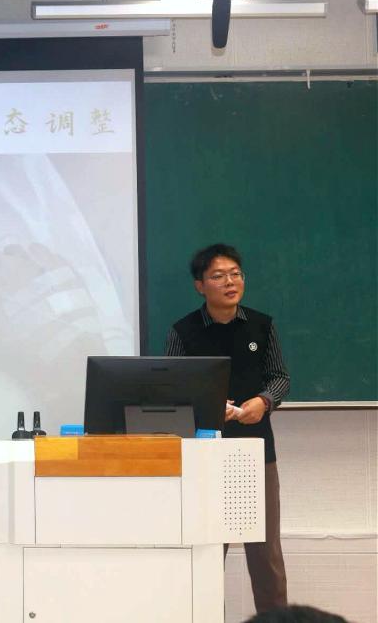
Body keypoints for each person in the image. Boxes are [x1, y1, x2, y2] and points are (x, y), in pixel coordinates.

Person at [165, 243, 289, 613]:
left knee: (265, 552)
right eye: (218, 276)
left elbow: (280, 377)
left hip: (256, 450)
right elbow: (169, 386)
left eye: (235, 274)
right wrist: (204, 406)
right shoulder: (183, 331)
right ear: (200, 286)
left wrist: (264, 401)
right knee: (205, 548)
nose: (230, 282)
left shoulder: (262, 325)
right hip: (203, 454)